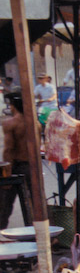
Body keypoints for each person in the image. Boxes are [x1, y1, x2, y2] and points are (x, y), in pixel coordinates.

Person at [0, 93, 33, 229]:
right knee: (36, 202)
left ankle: (1, 230)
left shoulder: (11, 123)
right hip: (32, 167)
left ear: (13, 107)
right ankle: (42, 233)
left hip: (17, 166)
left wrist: (6, 173)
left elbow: (9, 150)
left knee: (5, 202)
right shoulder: (34, 123)